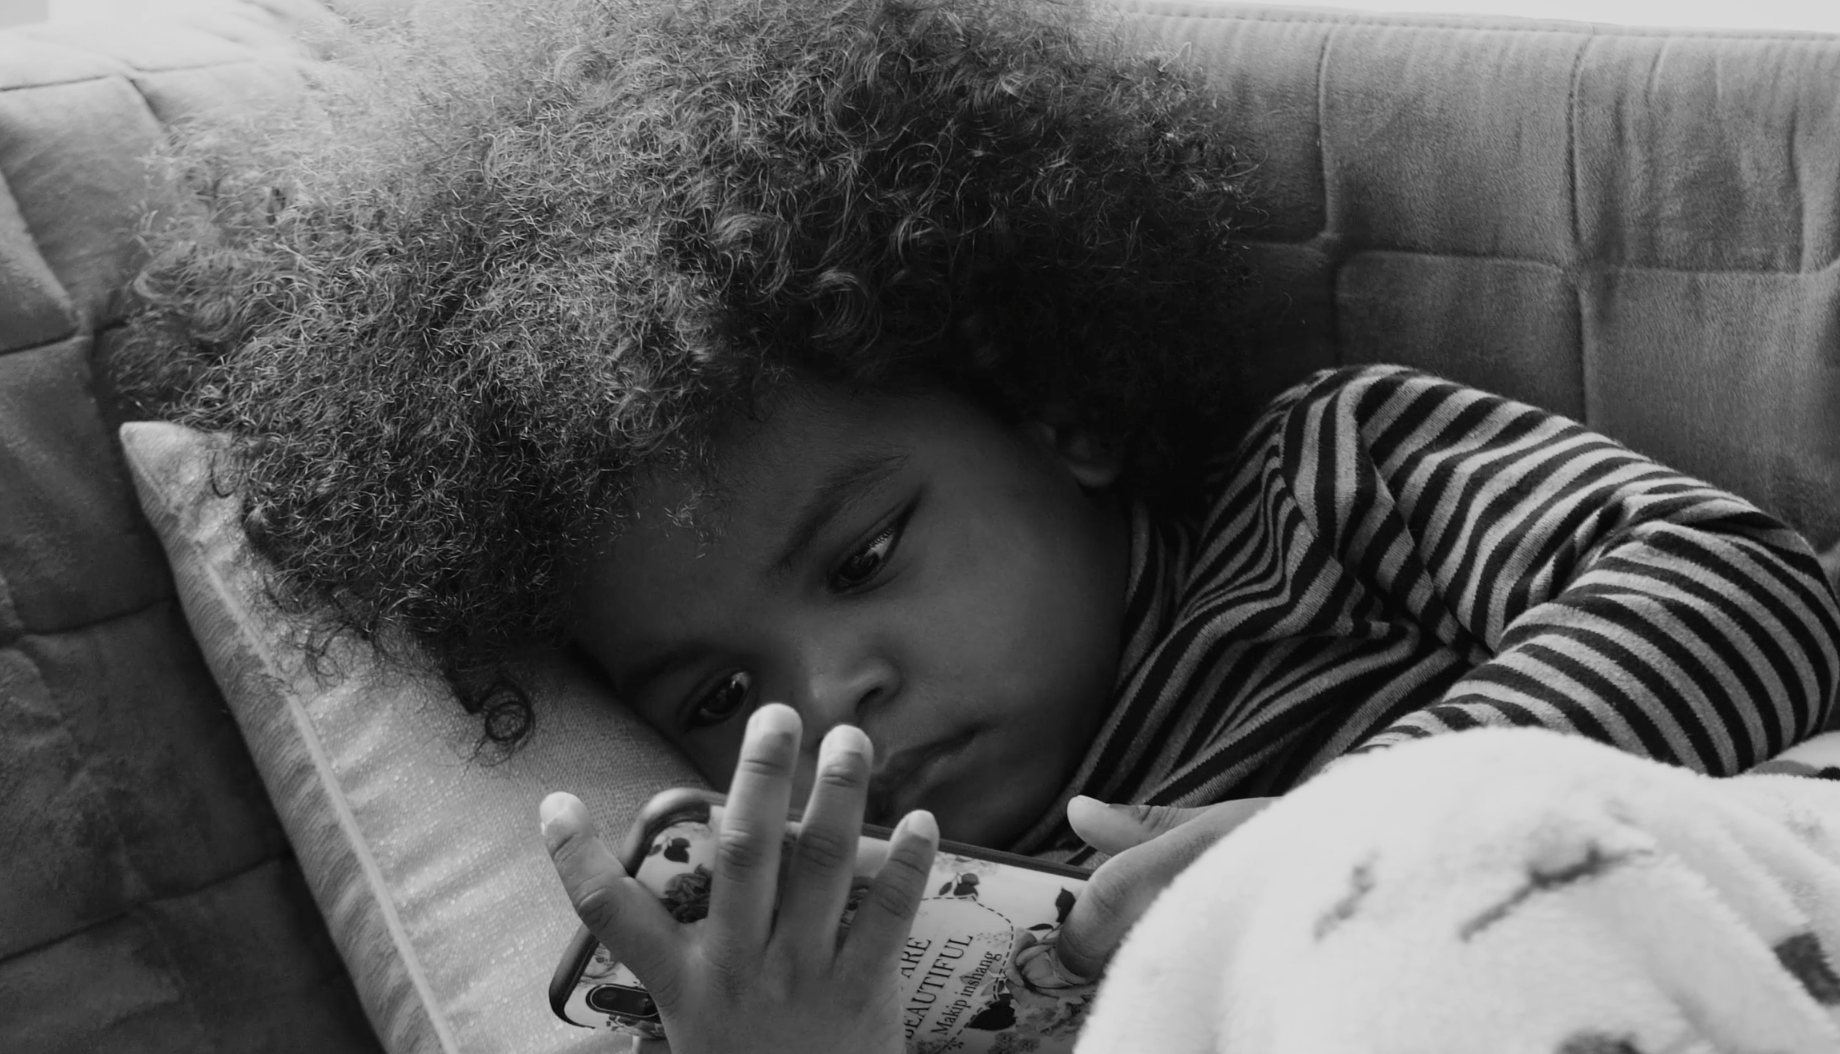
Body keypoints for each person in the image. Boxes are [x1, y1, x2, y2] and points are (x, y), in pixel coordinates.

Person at [112, 0, 1840, 1049]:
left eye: (864, 557)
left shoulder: (1332, 475)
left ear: (1056, 408)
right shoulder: (863, 943)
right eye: (718, 697)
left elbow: (1746, 592)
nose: (825, 702)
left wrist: (1338, 833)